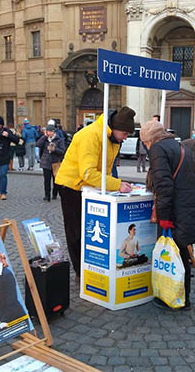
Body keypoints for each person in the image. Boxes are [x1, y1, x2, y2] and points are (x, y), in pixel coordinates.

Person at [55, 107, 135, 278]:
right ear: (115, 127)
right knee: (76, 231)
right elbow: (88, 173)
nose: (126, 138)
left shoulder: (112, 138)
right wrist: (117, 184)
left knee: (91, 230)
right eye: (125, 133)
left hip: (91, 187)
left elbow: (103, 169)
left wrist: (112, 185)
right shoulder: (91, 135)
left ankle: (92, 265)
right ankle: (80, 271)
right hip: (72, 187)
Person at [140, 120, 195, 310]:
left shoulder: (158, 149)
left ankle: (173, 298)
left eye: (145, 143)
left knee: (171, 254)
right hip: (187, 207)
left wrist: (165, 217)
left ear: (149, 140)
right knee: (180, 253)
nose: (146, 147)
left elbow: (163, 185)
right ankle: (183, 297)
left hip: (175, 210)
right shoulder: (178, 145)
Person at [36, 125, 65, 202]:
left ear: (53, 132)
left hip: (55, 162)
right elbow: (38, 144)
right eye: (47, 131)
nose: (48, 133)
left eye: (49, 131)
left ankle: (54, 194)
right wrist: (44, 137)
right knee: (47, 180)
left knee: (56, 180)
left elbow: (62, 151)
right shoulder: (45, 139)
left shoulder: (59, 140)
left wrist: (54, 149)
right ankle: (47, 195)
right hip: (46, 162)